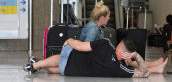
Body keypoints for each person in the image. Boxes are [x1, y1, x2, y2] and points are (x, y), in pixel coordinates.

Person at [24, 38, 168, 78]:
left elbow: (80, 46)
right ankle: (38, 65)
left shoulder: (105, 43)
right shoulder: (120, 69)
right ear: (128, 53)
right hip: (69, 71)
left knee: (62, 57)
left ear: (119, 45)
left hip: (70, 57)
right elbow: (144, 73)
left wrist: (69, 40)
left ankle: (35, 65)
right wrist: (135, 56)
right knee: (55, 69)